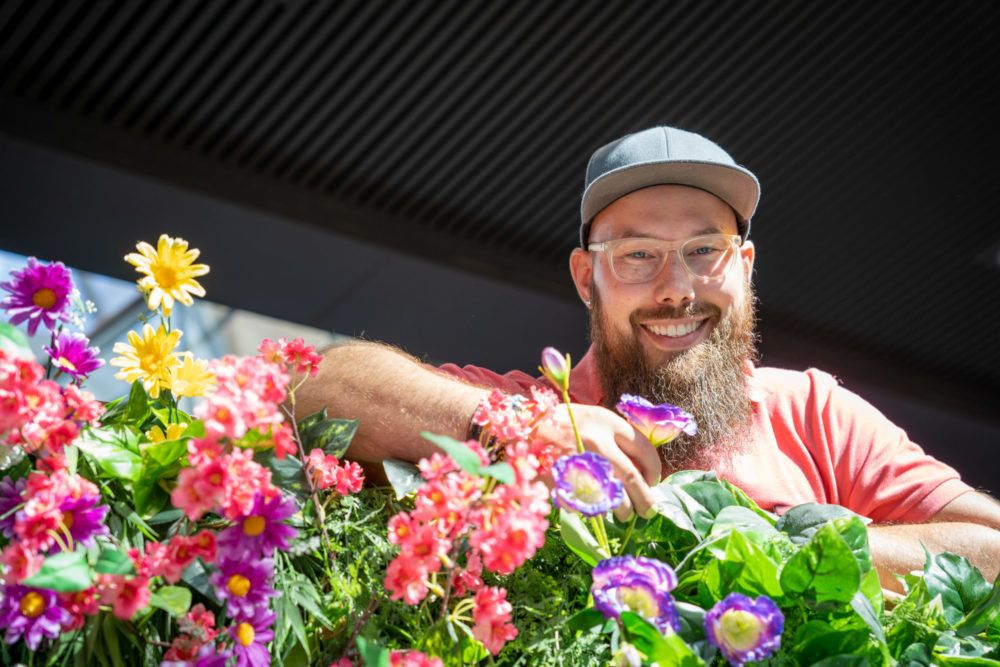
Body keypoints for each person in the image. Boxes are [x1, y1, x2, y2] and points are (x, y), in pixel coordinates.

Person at [297, 126, 1000, 590]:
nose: (677, 288)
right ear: (585, 278)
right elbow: (314, 383)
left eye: (705, 251)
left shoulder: (814, 412)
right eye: (637, 255)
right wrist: (513, 428)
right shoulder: (542, 409)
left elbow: (991, 549)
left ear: (745, 266)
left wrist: (779, 547)